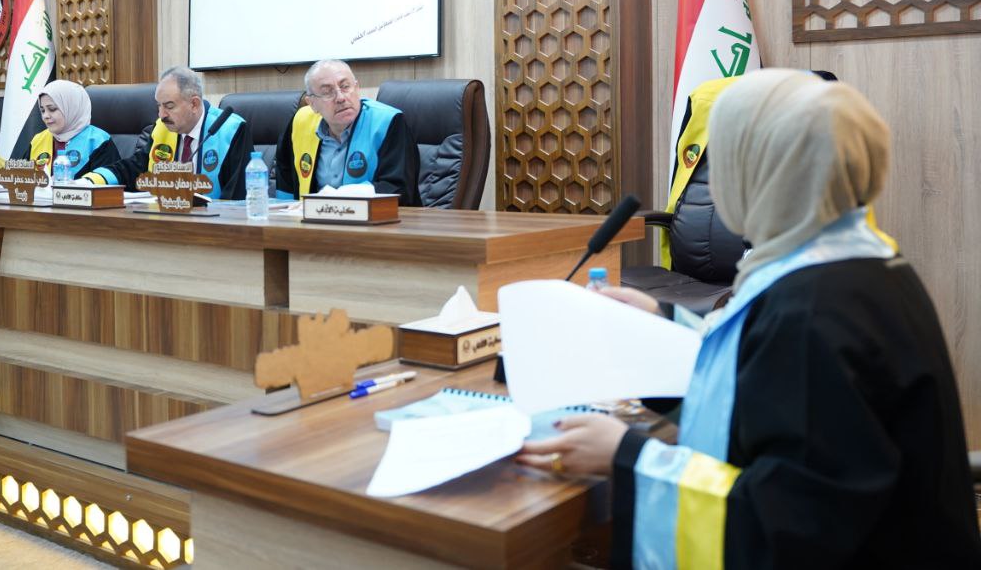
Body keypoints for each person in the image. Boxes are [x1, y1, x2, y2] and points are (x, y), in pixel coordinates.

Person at [517, 69, 981, 568]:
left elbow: (789, 530)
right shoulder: (853, 262)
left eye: (723, 162)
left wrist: (628, 456)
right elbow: (766, 383)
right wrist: (660, 323)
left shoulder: (814, 314)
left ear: (763, 176)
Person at [84, 66, 251, 200]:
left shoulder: (230, 130)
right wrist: (91, 181)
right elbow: (133, 169)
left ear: (194, 104)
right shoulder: (163, 128)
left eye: (169, 106)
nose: (161, 115)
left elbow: (238, 197)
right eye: (159, 106)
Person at [275, 59, 421, 206]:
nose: (340, 98)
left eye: (345, 87)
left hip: (377, 218)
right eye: (327, 92)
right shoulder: (300, 122)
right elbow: (285, 182)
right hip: (313, 217)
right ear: (312, 103)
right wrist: (285, 213)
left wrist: (341, 196)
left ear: (357, 88)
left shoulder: (388, 121)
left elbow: (398, 189)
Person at [26, 80, 120, 180]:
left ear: (72, 107)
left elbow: (108, 183)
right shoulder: (38, 140)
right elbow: (22, 179)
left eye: (52, 109)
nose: (46, 116)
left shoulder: (98, 141)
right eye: (42, 110)